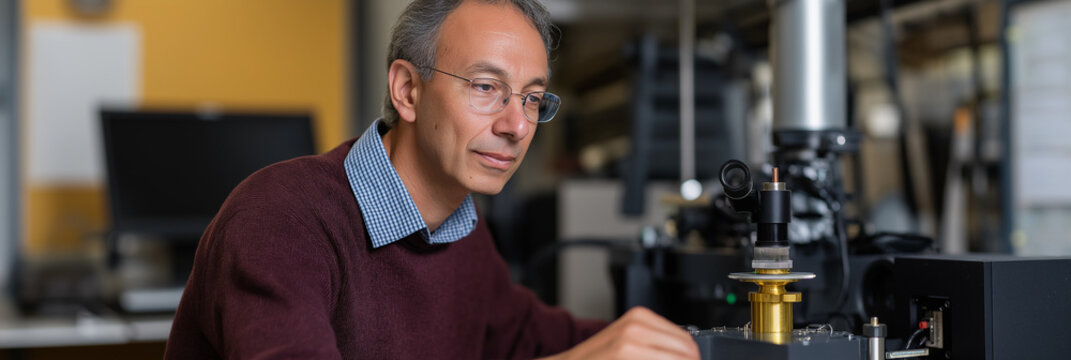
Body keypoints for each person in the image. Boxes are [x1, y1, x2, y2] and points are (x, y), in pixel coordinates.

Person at [164, 0, 700, 359]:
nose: (516, 125)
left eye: (532, 98)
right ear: (407, 91)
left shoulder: (459, 233)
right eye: (487, 87)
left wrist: (691, 342)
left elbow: (533, 338)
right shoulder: (280, 219)